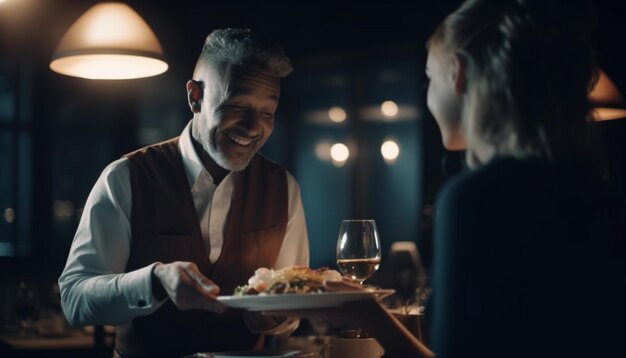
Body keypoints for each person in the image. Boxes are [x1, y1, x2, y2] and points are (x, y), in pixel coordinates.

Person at [266, 1, 624, 357]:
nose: (429, 95)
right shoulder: (593, 188)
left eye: (430, 79)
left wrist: (363, 311)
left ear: (458, 73)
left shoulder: (477, 197)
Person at [58, 28, 310, 358]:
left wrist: (274, 319)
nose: (253, 128)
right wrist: (155, 281)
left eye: (267, 112)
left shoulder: (282, 187)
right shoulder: (127, 177)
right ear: (195, 97)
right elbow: (75, 300)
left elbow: (290, 310)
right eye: (237, 104)